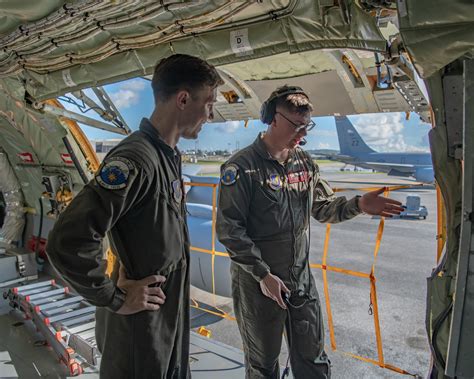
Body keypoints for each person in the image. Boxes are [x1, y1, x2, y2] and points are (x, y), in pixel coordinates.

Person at [47, 54, 223, 378]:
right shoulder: (136, 159)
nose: (210, 115)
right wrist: (114, 297)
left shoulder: (167, 157)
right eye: (209, 103)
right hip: (138, 337)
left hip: (163, 329)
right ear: (184, 99)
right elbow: (67, 241)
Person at [216, 85, 403, 379]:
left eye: (307, 126)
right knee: (263, 365)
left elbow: (323, 208)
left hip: (300, 282)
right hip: (257, 285)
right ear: (273, 119)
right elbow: (230, 230)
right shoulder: (242, 167)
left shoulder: (305, 163)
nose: (303, 134)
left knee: (313, 361)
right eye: (297, 126)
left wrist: (359, 204)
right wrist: (263, 274)